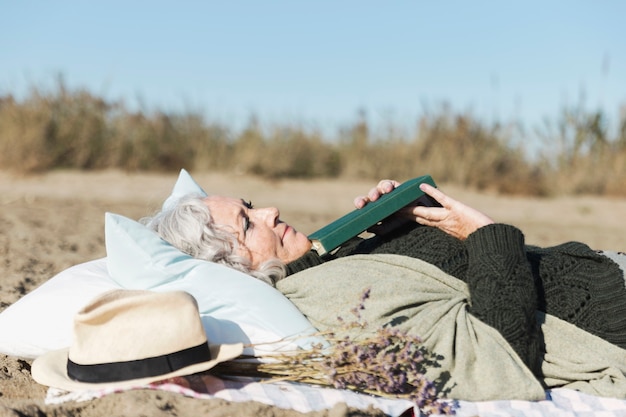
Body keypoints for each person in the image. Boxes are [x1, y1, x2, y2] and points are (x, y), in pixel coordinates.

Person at [142, 179, 626, 379]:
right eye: (248, 224)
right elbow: (499, 354)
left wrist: (408, 223)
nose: (270, 210)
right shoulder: (333, 298)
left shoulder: (331, 257)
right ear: (234, 269)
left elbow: (445, 278)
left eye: (249, 205)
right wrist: (484, 235)